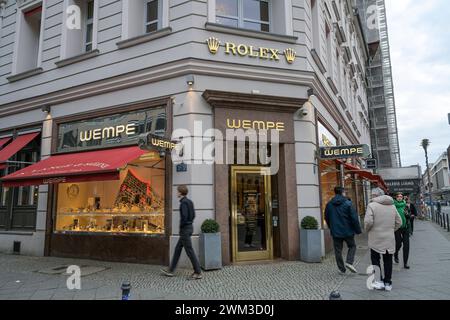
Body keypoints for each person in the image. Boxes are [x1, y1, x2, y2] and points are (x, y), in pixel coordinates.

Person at [364, 188, 402, 291]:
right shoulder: (392, 206)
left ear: (375, 195)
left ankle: (378, 282)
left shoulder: (371, 205)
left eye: (372, 195)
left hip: (375, 237)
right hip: (389, 237)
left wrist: (368, 230)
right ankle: (388, 283)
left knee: (375, 259)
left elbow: (368, 222)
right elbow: (399, 222)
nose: (371, 196)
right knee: (388, 260)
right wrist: (390, 229)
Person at [161, 185, 202, 280]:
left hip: (185, 230)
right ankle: (171, 270)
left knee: (189, 251)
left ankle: (198, 272)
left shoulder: (183, 203)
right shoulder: (190, 202)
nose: (176, 193)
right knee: (177, 249)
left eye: (177, 191)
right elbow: (193, 215)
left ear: (180, 192)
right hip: (189, 227)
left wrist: (183, 226)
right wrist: (189, 223)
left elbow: (184, 216)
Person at [325, 186, 362, 274]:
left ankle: (342, 269)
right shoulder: (348, 203)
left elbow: (326, 217)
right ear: (342, 193)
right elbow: (354, 218)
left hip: (336, 231)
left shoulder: (329, 204)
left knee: (338, 250)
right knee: (352, 246)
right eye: (344, 192)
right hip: (348, 231)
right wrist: (358, 230)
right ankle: (349, 262)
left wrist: (331, 227)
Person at [394, 193, 410, 269]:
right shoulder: (393, 206)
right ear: (396, 198)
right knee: (398, 244)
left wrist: (408, 215)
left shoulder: (405, 205)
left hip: (405, 227)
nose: (400, 198)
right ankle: (395, 253)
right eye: (398, 196)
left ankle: (405, 263)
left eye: (401, 196)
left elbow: (409, 216)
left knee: (406, 246)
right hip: (397, 228)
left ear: (403, 198)